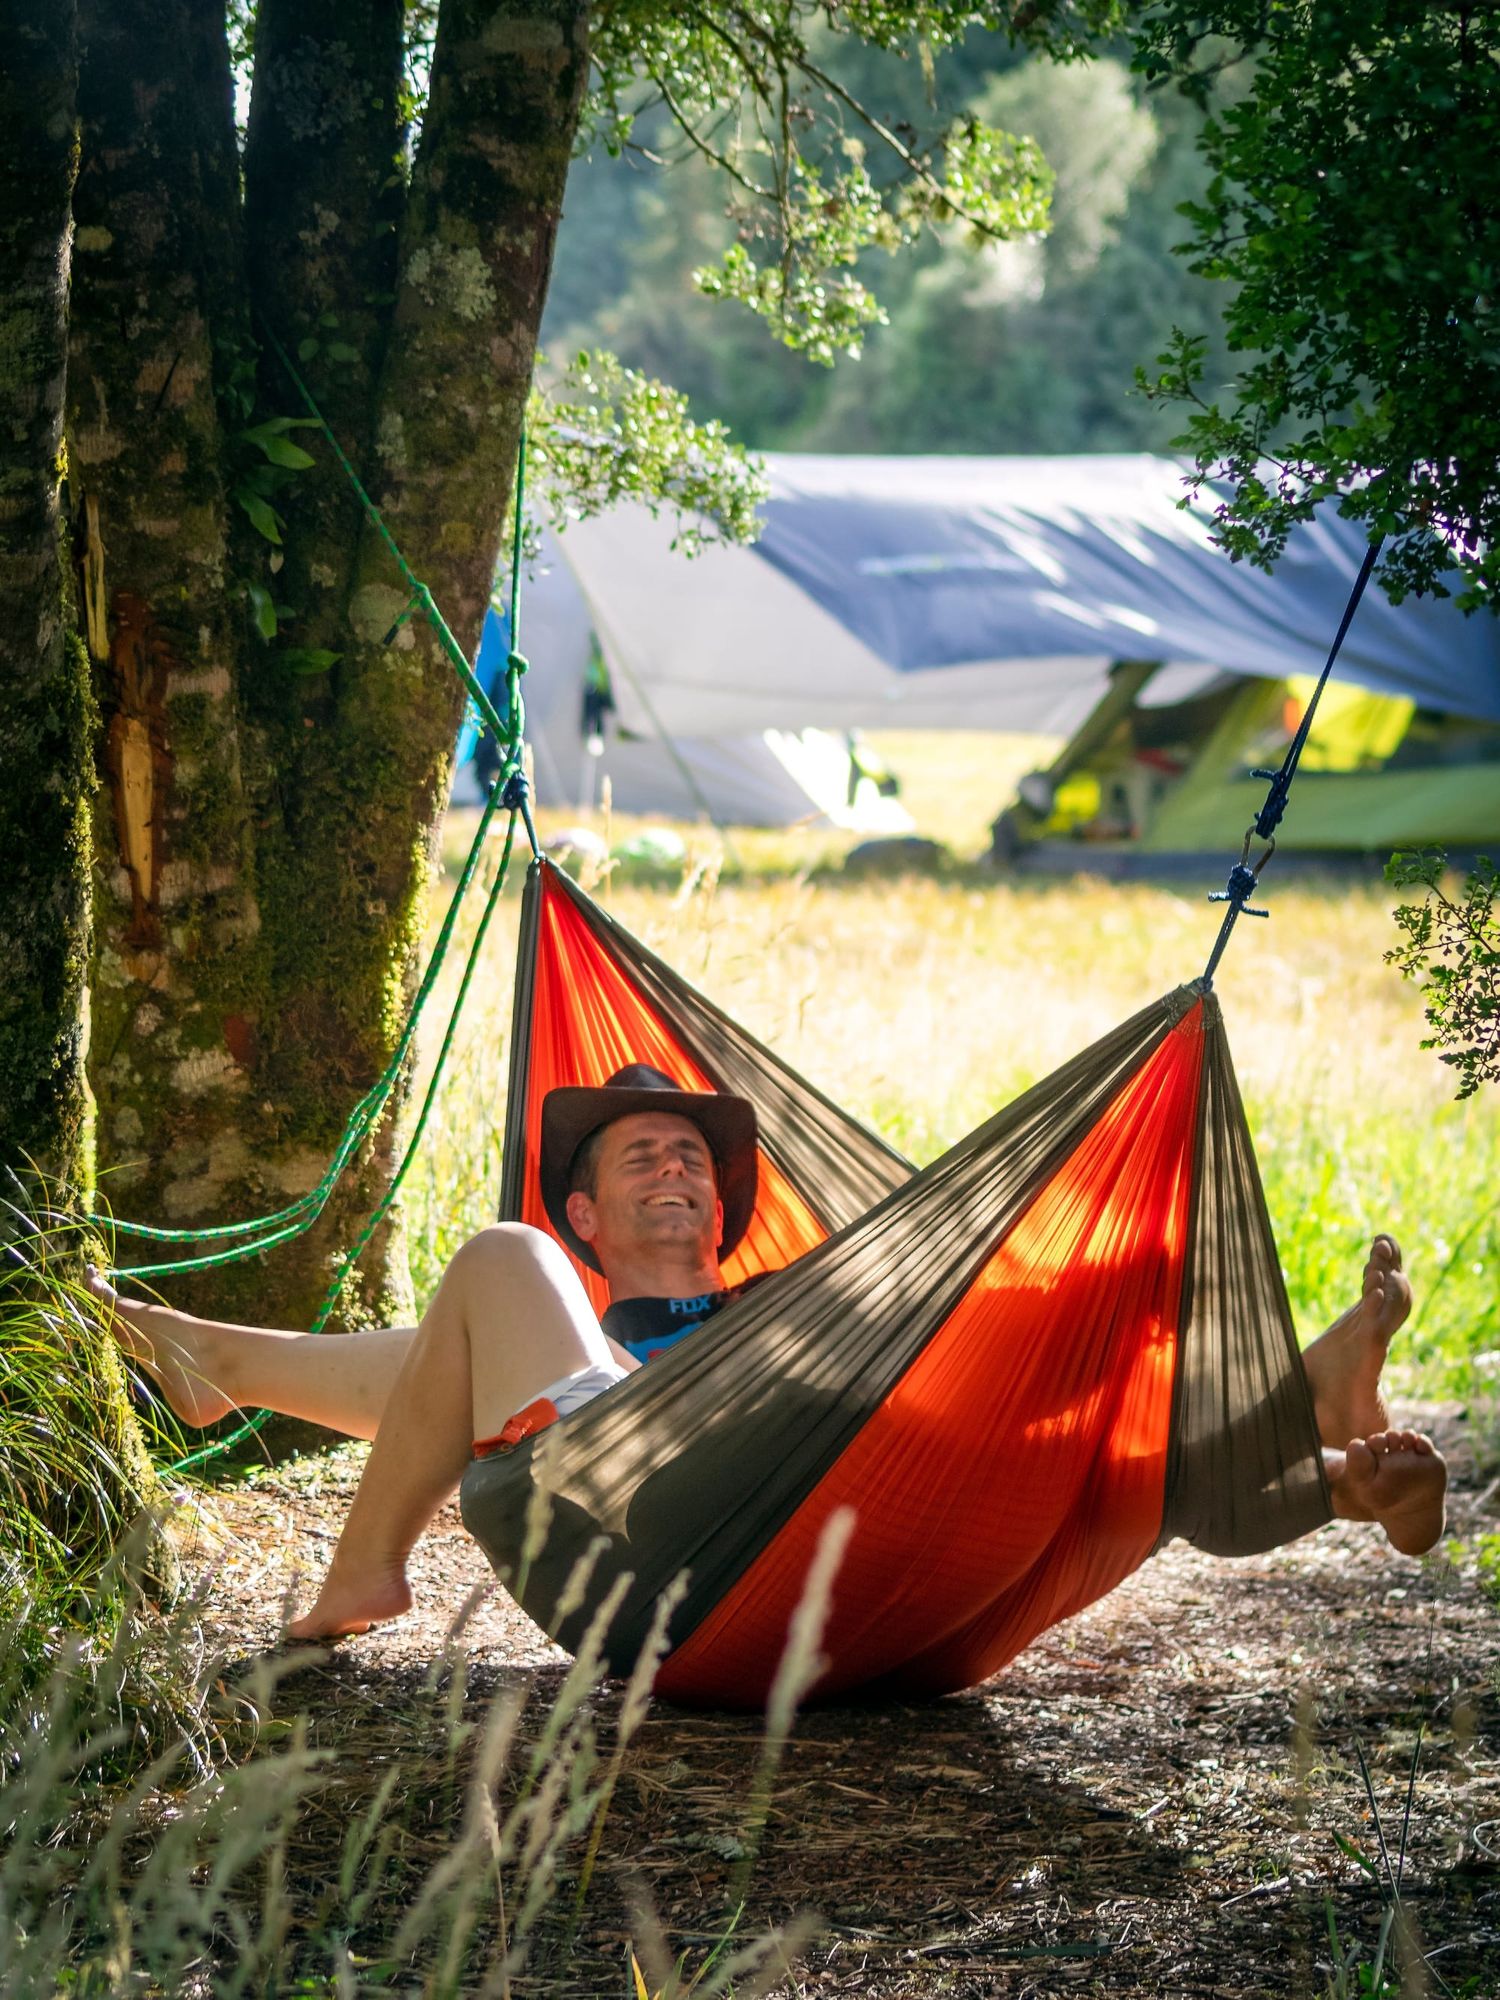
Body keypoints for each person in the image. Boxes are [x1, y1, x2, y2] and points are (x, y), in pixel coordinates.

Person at [88, 1067, 1448, 1642]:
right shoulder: (549, 1309)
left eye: (693, 1155)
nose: (678, 1167)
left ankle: (1318, 1455)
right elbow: (438, 1361)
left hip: (814, 1516)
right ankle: (233, 1384)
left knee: (1067, 1412)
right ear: (590, 1215)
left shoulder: (783, 1304)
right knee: (490, 1270)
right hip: (632, 1518)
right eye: (643, 1156)